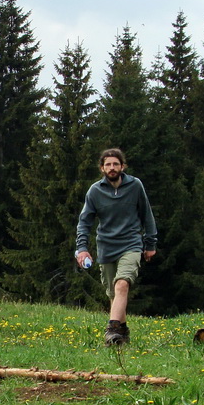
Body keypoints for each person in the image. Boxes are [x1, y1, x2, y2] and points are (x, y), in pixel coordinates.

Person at [75, 148, 157, 346]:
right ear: (102, 168)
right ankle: (123, 333)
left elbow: (147, 214)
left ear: (122, 166)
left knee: (122, 284)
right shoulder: (95, 191)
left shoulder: (135, 185)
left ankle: (111, 330)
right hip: (106, 246)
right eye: (108, 164)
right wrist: (82, 247)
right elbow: (84, 221)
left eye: (115, 164)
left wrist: (150, 242)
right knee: (114, 294)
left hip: (131, 243)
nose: (112, 168)